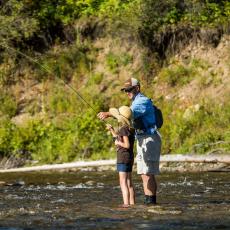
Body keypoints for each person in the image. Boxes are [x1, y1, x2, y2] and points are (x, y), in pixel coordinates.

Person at [98, 78, 161, 205]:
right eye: (125, 90)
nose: (127, 92)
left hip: (149, 138)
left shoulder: (141, 101)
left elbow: (127, 114)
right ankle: (150, 203)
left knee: (147, 173)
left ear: (137, 88)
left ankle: (151, 204)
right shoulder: (135, 102)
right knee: (145, 173)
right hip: (143, 139)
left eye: (129, 90)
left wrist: (109, 114)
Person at [105, 106, 135, 208]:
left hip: (123, 157)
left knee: (123, 183)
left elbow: (126, 145)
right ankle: (132, 204)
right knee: (129, 183)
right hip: (129, 157)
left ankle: (126, 204)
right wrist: (112, 131)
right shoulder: (130, 129)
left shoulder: (123, 129)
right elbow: (121, 140)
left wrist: (118, 142)